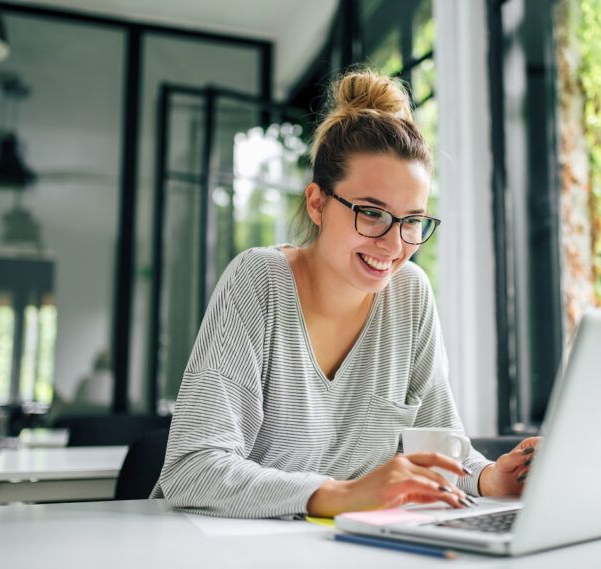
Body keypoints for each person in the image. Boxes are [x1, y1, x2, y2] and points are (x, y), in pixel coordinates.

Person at [151, 69, 540, 518]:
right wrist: (340, 495)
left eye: (412, 220)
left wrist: (491, 478)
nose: (394, 246)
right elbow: (192, 467)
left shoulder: (410, 295)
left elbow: (440, 452)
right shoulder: (259, 281)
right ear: (317, 203)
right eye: (372, 213)